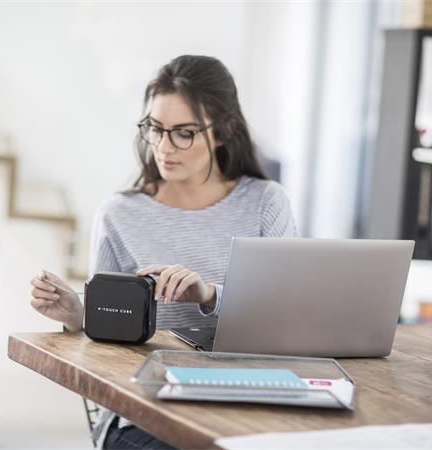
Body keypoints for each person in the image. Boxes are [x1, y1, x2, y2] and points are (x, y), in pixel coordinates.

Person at [29, 54, 297, 449]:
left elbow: (285, 316)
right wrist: (78, 317)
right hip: (146, 411)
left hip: (251, 402)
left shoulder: (266, 203)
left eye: (183, 133)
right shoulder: (119, 214)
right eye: (155, 129)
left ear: (223, 131)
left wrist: (210, 295)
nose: (163, 147)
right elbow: (106, 344)